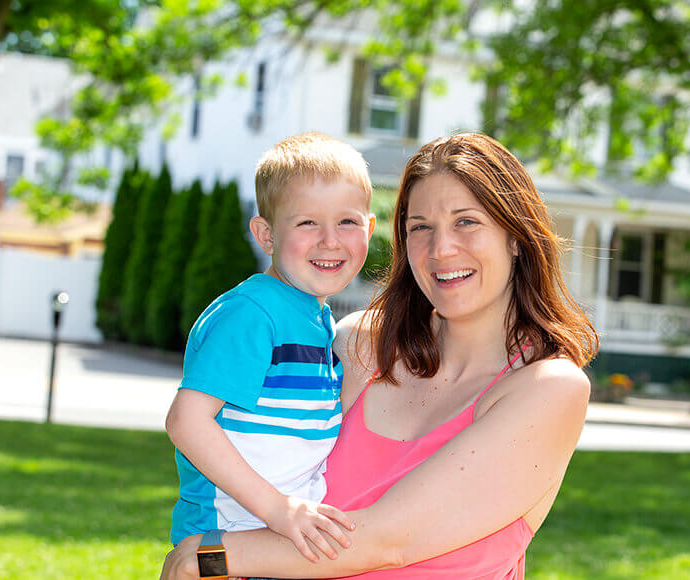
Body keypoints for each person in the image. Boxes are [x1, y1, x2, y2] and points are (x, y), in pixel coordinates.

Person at [161, 132, 598, 579]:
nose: (441, 248)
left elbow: (388, 541)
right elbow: (239, 446)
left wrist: (210, 556)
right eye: (420, 227)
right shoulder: (357, 346)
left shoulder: (549, 389)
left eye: (466, 222)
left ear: (516, 237)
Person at [165, 132, 376, 563]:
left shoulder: (314, 319)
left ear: (369, 229)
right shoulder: (253, 313)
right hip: (228, 541)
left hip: (277, 546)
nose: (330, 240)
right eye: (307, 223)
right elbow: (186, 422)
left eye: (347, 222)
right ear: (266, 234)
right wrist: (277, 508)